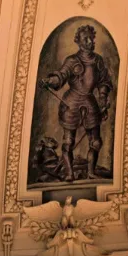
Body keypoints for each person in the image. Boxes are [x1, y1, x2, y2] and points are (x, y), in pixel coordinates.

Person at [40, 24, 112, 182]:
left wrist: (102, 96)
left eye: (91, 38)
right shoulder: (72, 60)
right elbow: (61, 75)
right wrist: (50, 81)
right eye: (85, 39)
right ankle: (69, 173)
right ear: (78, 41)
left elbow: (104, 81)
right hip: (71, 102)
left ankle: (91, 172)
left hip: (90, 101)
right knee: (68, 142)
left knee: (96, 142)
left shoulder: (97, 60)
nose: (90, 41)